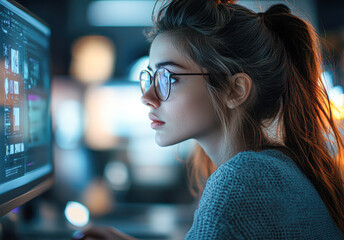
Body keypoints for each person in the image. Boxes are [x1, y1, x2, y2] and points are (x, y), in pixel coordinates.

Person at [74, 0, 344, 239]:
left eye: (169, 78)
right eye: (150, 76)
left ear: (234, 90)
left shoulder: (242, 181)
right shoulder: (273, 168)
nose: (147, 96)